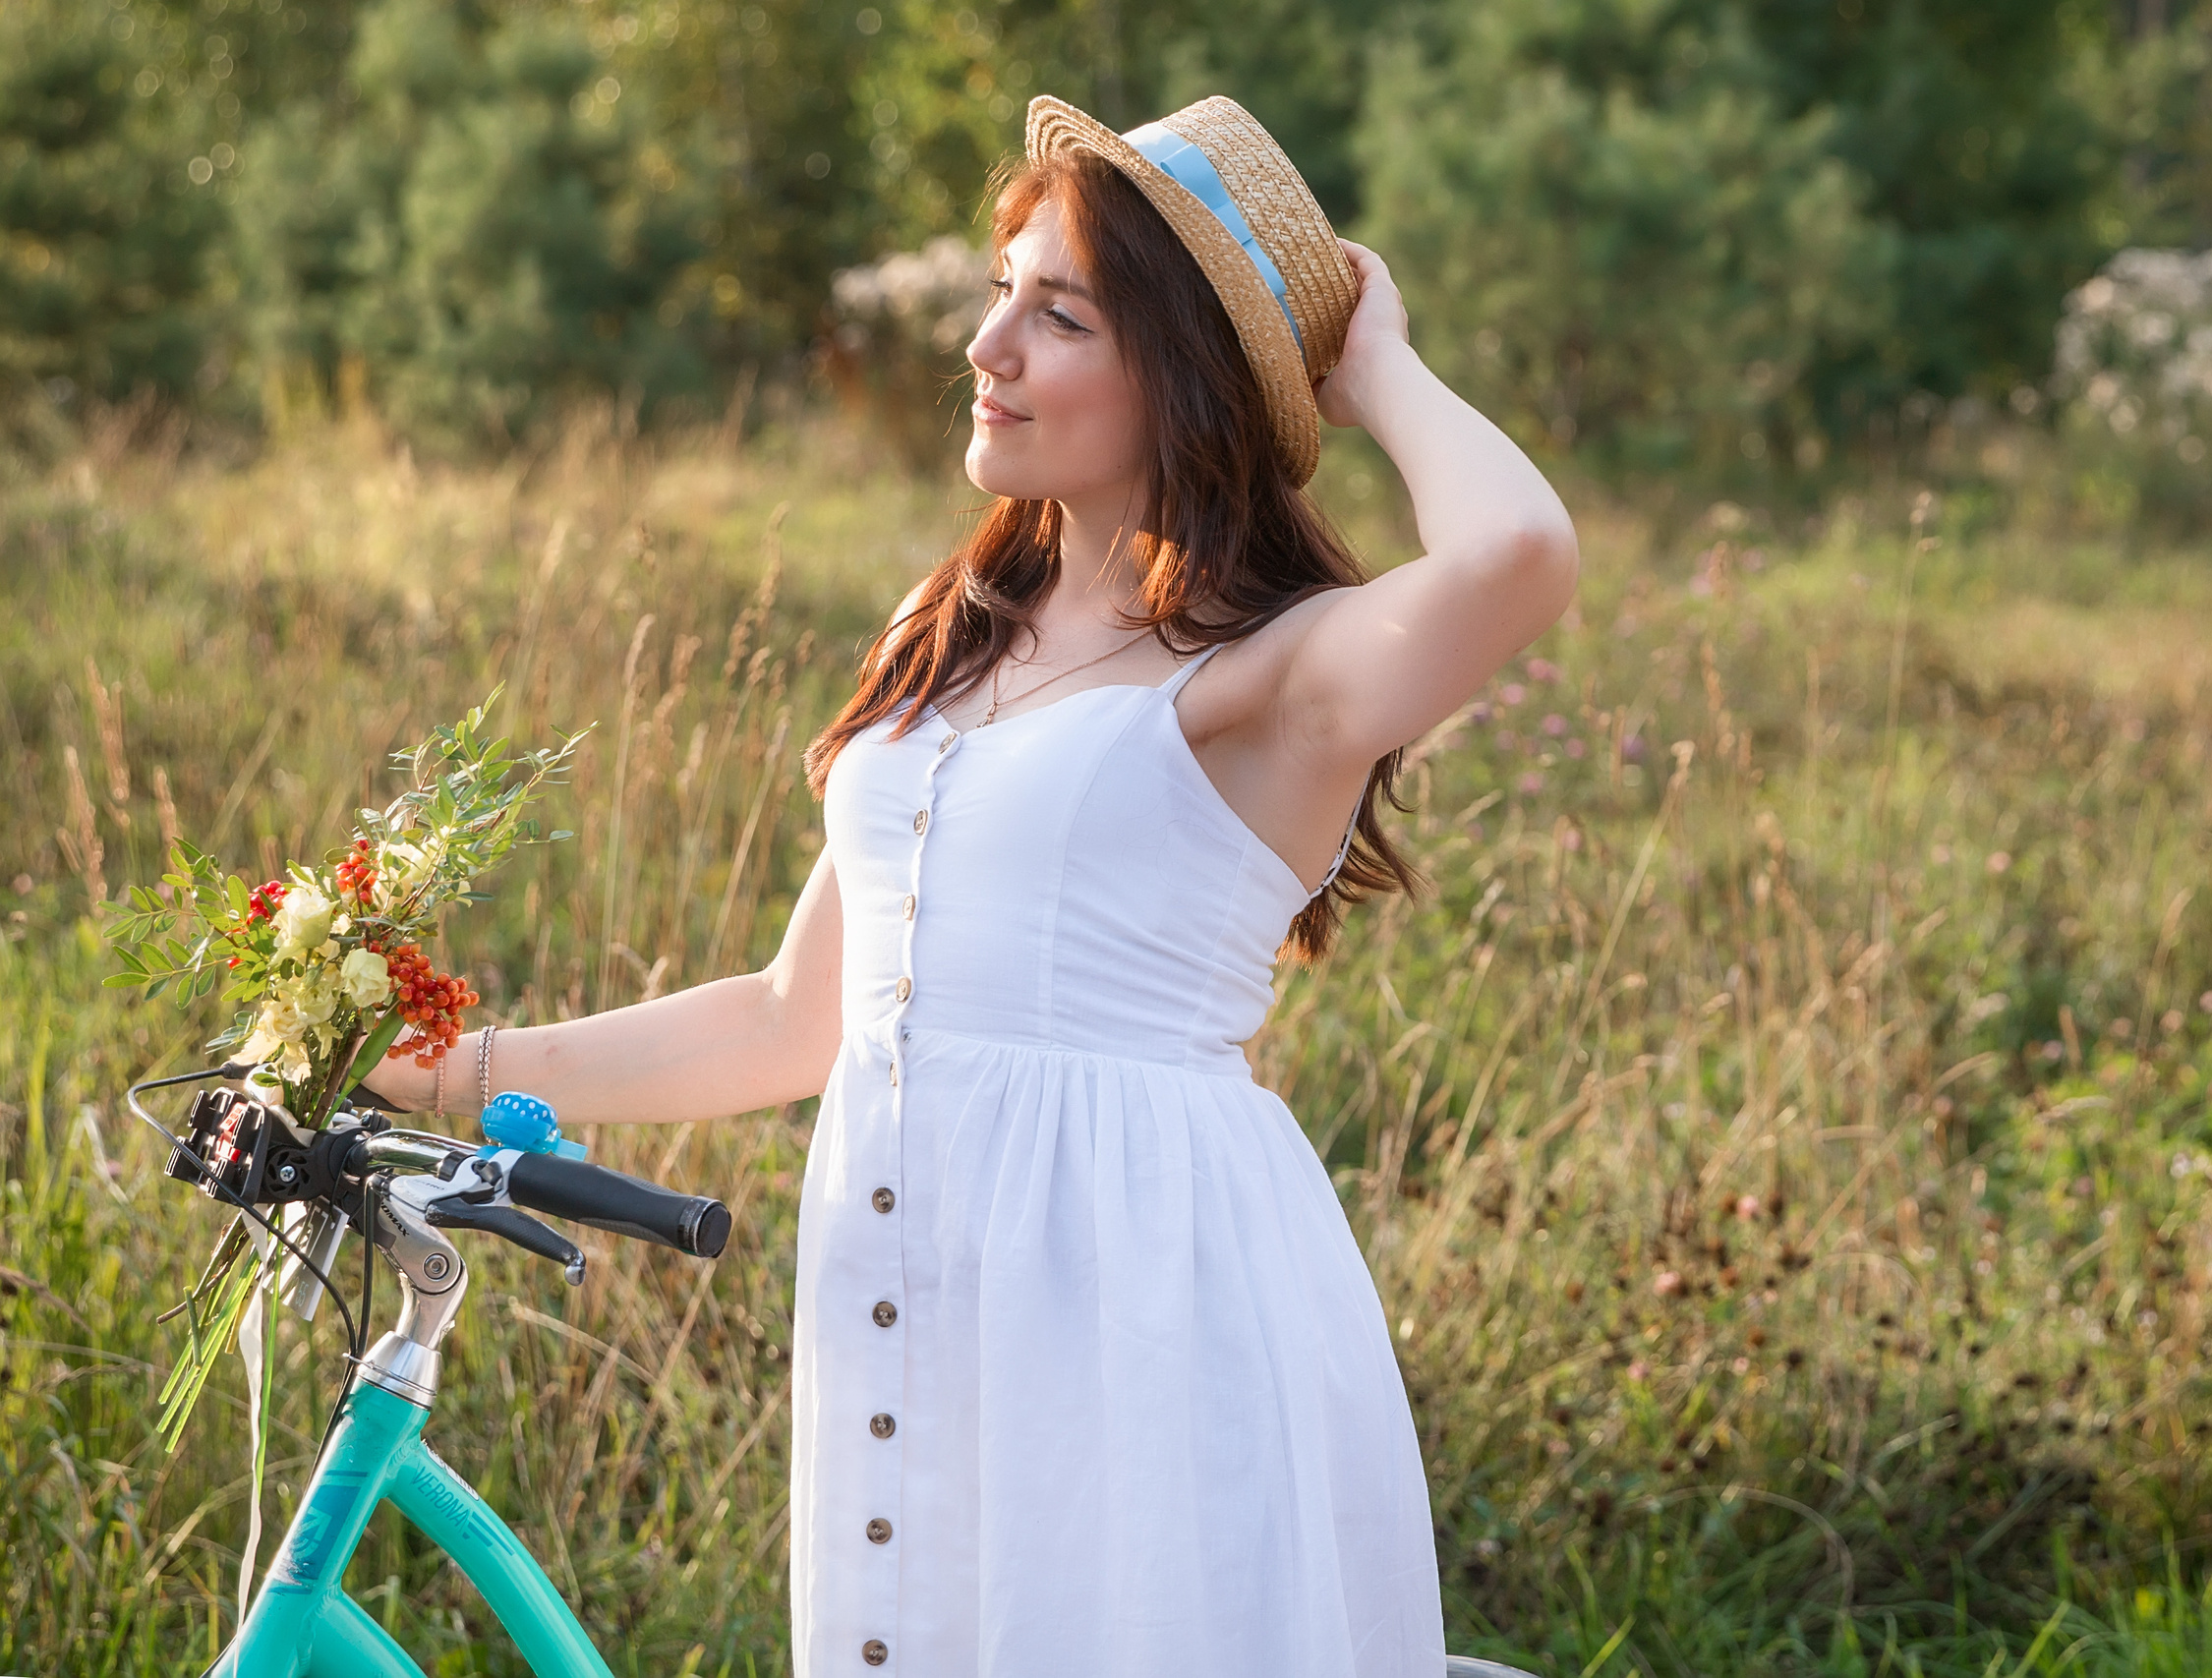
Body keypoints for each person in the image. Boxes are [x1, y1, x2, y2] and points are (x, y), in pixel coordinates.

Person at [366, 93, 1576, 1677]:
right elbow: (801, 1018)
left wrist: (1376, 375)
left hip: (1140, 1291)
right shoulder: (947, 634)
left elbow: (1518, 556)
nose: (987, 343)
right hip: (914, 1271)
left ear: (1185, 377)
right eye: (999, 289)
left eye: (1057, 312)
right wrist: (475, 1065)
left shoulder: (1262, 678)